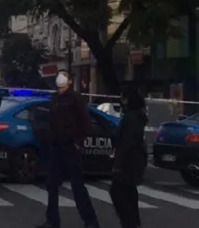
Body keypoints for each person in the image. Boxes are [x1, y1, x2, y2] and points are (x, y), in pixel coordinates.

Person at [37, 70, 100, 228]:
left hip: (70, 147)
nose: (60, 77)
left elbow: (85, 122)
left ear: (69, 81)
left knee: (77, 186)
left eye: (64, 74)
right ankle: (52, 220)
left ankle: (91, 221)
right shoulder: (55, 98)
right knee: (52, 185)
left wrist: (77, 142)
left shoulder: (75, 98)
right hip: (57, 146)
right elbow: (51, 121)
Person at [110, 84, 147, 228]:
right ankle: (132, 223)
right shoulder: (136, 116)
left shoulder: (132, 118)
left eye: (122, 97)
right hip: (134, 161)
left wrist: (117, 165)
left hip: (129, 162)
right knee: (129, 192)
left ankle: (130, 224)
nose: (120, 100)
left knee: (118, 192)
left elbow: (127, 143)